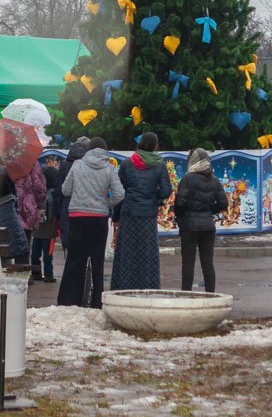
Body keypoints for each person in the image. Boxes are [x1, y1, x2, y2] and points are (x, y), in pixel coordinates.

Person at [57, 137, 125, 308]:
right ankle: (95, 302)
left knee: (74, 259)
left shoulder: (77, 165)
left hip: (77, 217)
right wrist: (105, 203)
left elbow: (65, 189)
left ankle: (68, 299)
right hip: (99, 219)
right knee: (97, 261)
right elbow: (119, 194)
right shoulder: (109, 168)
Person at [111, 132, 172, 291]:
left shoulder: (127, 164)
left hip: (129, 213)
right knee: (147, 252)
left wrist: (115, 216)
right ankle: (148, 286)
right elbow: (166, 191)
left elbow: (119, 191)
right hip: (147, 215)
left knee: (127, 251)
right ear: (154, 146)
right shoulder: (159, 165)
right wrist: (154, 199)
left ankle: (124, 287)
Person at [173, 147, 228, 293]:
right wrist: (209, 211)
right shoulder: (214, 180)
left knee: (188, 263)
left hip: (189, 227)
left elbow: (180, 203)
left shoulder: (187, 179)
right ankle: (211, 295)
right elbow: (224, 204)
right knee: (208, 263)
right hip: (208, 227)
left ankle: (186, 294)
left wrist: (180, 216)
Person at [30, 161, 59, 282]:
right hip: (50, 230)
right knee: (48, 254)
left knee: (35, 253)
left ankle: (35, 273)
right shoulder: (55, 194)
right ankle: (48, 275)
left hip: (37, 229)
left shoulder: (38, 193)